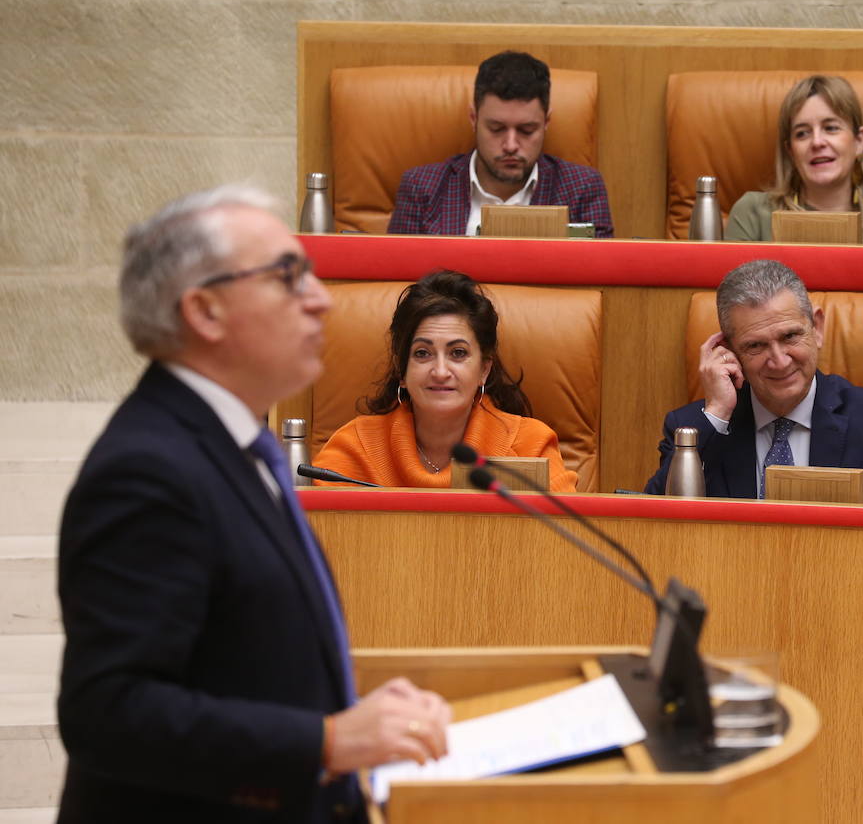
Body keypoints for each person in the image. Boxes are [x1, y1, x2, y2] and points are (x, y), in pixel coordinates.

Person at [57, 186, 451, 823]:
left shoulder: (235, 443)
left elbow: (238, 652)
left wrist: (345, 710)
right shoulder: (148, 469)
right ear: (206, 311)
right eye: (288, 277)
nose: (321, 299)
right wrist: (327, 742)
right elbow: (109, 712)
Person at [643, 258, 863, 505]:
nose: (780, 361)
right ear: (729, 351)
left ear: (817, 328)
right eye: (755, 346)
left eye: (790, 336)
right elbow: (659, 530)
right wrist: (718, 413)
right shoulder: (695, 430)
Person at [314, 270, 579, 492]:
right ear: (401, 371)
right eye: (422, 353)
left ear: (484, 370)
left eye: (458, 353)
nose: (440, 371)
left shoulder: (530, 447)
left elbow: (564, 545)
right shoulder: (356, 447)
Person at [387, 51, 614, 238]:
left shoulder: (582, 189)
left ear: (546, 123)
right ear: (474, 119)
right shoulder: (422, 188)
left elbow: (601, 284)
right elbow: (397, 280)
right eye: (496, 129)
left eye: (527, 131)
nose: (510, 145)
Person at [725, 74, 863, 246]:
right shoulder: (753, 213)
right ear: (791, 151)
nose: (816, 142)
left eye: (831, 128)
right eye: (802, 133)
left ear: (859, 141)